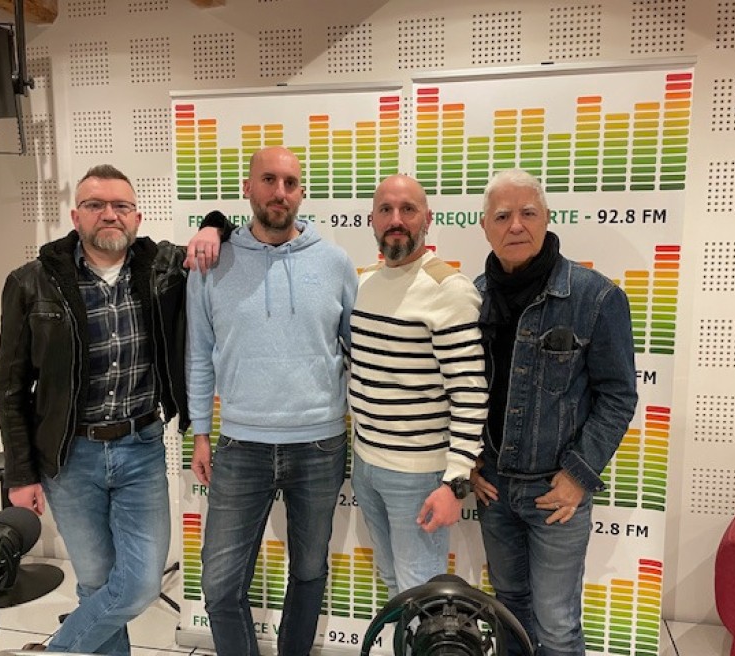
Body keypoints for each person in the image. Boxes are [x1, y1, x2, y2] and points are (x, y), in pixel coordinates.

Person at [0, 164, 228, 656]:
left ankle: (57, 651)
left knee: (139, 585)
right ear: (76, 216)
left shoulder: (163, 269)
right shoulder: (32, 282)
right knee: (97, 585)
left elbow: (224, 232)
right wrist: (21, 473)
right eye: (96, 205)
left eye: (121, 206)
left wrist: (213, 225)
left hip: (140, 449)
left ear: (137, 217)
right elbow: (10, 385)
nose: (109, 214)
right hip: (69, 458)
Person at [186, 146, 358, 656]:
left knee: (309, 571)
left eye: (290, 182)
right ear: (248, 188)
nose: (279, 192)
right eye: (268, 180)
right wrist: (200, 432)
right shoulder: (211, 262)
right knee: (219, 585)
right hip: (241, 444)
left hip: (320, 445)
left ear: (301, 192)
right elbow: (199, 353)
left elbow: (359, 351)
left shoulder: (335, 262)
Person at [470, 169, 639, 656]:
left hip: (555, 493)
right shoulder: (471, 297)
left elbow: (618, 395)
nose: (516, 225)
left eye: (528, 213)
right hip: (493, 489)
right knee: (508, 612)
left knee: (558, 625)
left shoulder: (595, 297)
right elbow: (461, 388)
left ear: (547, 218)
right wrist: (470, 459)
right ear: (485, 226)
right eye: (503, 216)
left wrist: (578, 476)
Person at [348, 174, 489, 597]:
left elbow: (470, 393)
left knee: (421, 593)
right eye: (386, 210)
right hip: (366, 464)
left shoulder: (449, 290)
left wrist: (455, 483)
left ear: (427, 219)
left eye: (408, 209)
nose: (396, 219)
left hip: (418, 475)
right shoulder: (364, 283)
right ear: (371, 220)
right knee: (393, 584)